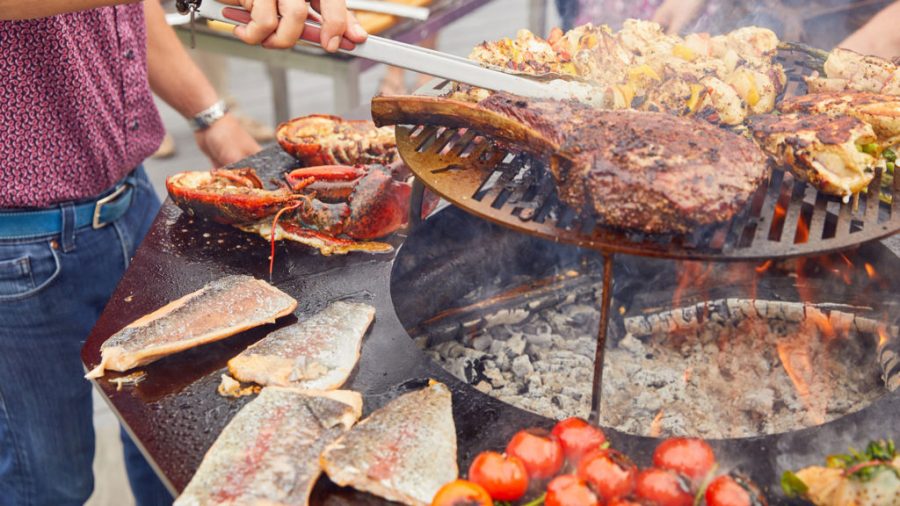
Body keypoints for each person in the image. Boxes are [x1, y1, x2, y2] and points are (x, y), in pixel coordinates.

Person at [0, 1, 366, 505]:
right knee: (45, 479)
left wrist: (208, 113)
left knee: (167, 436)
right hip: (18, 243)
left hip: (133, 199)